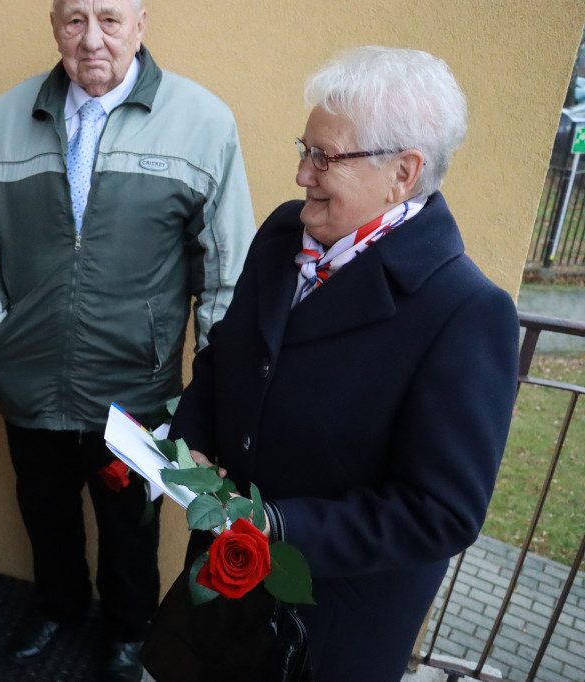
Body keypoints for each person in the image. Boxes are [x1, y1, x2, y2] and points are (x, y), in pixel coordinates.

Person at [168, 46, 520, 681]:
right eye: (304, 149)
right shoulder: (285, 232)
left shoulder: (467, 312)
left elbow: (441, 513)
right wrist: (190, 438)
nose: (302, 174)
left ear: (403, 172)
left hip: (327, 627)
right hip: (224, 582)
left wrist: (277, 524)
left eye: (324, 157)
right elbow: (229, 353)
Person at [0, 1, 255, 679]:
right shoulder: (5, 117)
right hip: (28, 374)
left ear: (141, 22)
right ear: (54, 23)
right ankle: (59, 606)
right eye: (74, 19)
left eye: (109, 18)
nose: (91, 39)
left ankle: (129, 631)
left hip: (136, 384)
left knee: (130, 523)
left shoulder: (202, 122)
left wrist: (215, 382)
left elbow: (228, 264)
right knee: (43, 507)